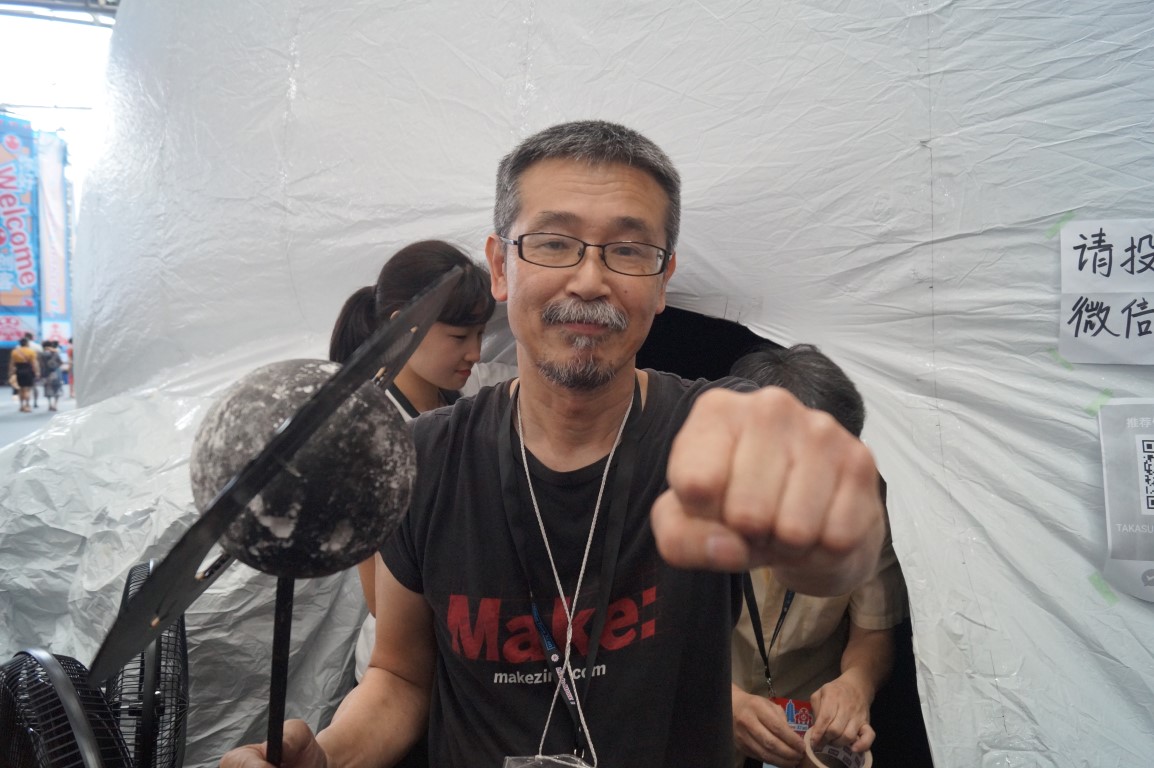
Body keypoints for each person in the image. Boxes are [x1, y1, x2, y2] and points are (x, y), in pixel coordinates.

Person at [222, 120, 886, 768]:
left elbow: (815, 541)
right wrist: (331, 756)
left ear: (663, 280)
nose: (590, 280)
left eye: (629, 250)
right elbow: (399, 675)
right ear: (500, 266)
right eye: (553, 243)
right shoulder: (424, 459)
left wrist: (829, 535)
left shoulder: (709, 428)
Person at [727, 344, 907, 768]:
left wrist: (856, 685)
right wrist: (720, 700)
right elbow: (647, 638)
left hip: (806, 725)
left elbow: (873, 633)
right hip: (696, 703)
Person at [328, 239, 496, 687]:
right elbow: (379, 599)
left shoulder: (461, 403)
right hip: (405, 668)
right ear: (404, 327)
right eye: (459, 337)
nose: (475, 353)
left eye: (480, 335)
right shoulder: (370, 437)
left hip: (462, 645)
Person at [8, 337, 40, 413]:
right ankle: (27, 405)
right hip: (28, 371)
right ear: (27, 343)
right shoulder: (31, 351)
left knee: (20, 389)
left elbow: (11, 363)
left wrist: (10, 373)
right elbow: (34, 363)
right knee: (27, 390)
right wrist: (37, 372)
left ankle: (21, 406)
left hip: (18, 371)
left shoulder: (15, 352)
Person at [38, 340, 65, 412]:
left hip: (45, 374)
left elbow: (40, 365)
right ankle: (55, 405)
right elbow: (61, 362)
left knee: (47, 389)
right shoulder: (55, 353)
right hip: (55, 373)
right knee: (57, 389)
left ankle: (49, 405)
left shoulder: (41, 354)